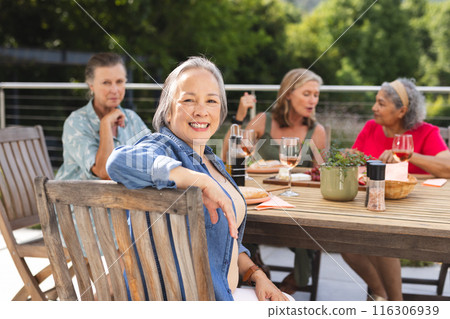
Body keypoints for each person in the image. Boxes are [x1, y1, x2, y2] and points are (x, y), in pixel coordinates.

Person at [106, 56, 291, 301]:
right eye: (188, 100)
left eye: (211, 101)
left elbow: (223, 238)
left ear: (220, 111)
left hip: (221, 292)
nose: (201, 111)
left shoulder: (211, 160)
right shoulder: (163, 145)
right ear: (168, 112)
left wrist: (257, 274)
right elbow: (118, 161)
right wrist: (199, 181)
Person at [222, 68, 327, 295]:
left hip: (298, 205)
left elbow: (322, 174)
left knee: (307, 231)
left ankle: (298, 277)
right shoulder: (263, 121)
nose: (313, 100)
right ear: (288, 93)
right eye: (306, 93)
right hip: (260, 200)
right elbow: (231, 155)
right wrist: (238, 118)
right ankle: (254, 266)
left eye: (316, 95)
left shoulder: (316, 131)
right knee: (238, 218)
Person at [343, 78, 450, 301]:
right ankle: (380, 292)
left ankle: (396, 302)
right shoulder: (371, 127)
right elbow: (355, 161)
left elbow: (447, 167)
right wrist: (347, 158)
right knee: (345, 241)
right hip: (373, 207)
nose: (374, 108)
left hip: (416, 212)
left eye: (381, 103)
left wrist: (409, 154)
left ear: (401, 110)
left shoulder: (426, 132)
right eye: (375, 102)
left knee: (380, 238)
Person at [55, 52, 149, 181]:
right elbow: (104, 171)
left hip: (120, 197)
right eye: (106, 83)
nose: (115, 90)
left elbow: (153, 157)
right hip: (76, 199)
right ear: (91, 85)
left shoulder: (131, 118)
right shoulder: (76, 122)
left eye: (119, 82)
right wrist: (105, 124)